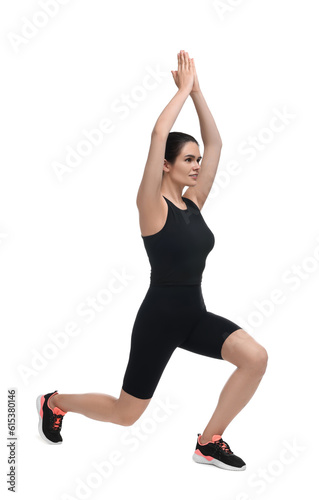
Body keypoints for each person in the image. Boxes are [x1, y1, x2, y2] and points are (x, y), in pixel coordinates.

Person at [36, 50, 268, 471]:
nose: (197, 165)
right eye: (188, 159)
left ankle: (209, 440)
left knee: (255, 357)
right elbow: (158, 134)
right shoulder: (151, 205)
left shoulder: (193, 203)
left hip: (194, 316)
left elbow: (216, 143)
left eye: (197, 160)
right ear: (166, 165)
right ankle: (54, 402)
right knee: (127, 415)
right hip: (159, 319)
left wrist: (198, 92)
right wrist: (180, 91)